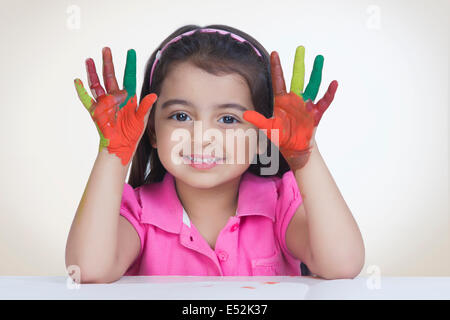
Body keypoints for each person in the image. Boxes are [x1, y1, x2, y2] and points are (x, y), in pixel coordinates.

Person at [66, 24, 365, 283]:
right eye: (181, 116)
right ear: (152, 130)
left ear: (263, 137)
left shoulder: (278, 204)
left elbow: (342, 265)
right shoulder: (140, 212)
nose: (202, 138)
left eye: (228, 119)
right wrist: (112, 152)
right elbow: (88, 270)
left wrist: (305, 155)